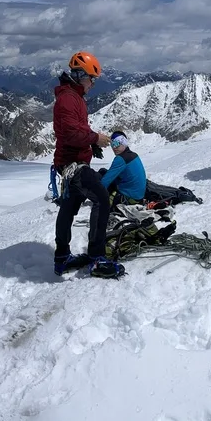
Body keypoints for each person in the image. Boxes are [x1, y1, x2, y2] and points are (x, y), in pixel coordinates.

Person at [52, 51, 125, 279]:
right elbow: (71, 133)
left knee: (69, 208)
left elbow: (74, 130)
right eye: (92, 78)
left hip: (72, 161)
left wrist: (90, 142)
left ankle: (62, 258)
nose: (93, 83)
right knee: (102, 199)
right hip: (73, 164)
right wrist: (94, 139)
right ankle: (96, 258)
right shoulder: (68, 99)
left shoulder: (73, 96)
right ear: (81, 75)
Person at [102, 131, 147, 206]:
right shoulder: (134, 155)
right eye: (112, 144)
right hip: (139, 196)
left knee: (100, 176)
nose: (114, 147)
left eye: (116, 143)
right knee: (103, 172)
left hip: (129, 198)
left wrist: (95, 194)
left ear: (124, 143)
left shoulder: (121, 159)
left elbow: (105, 181)